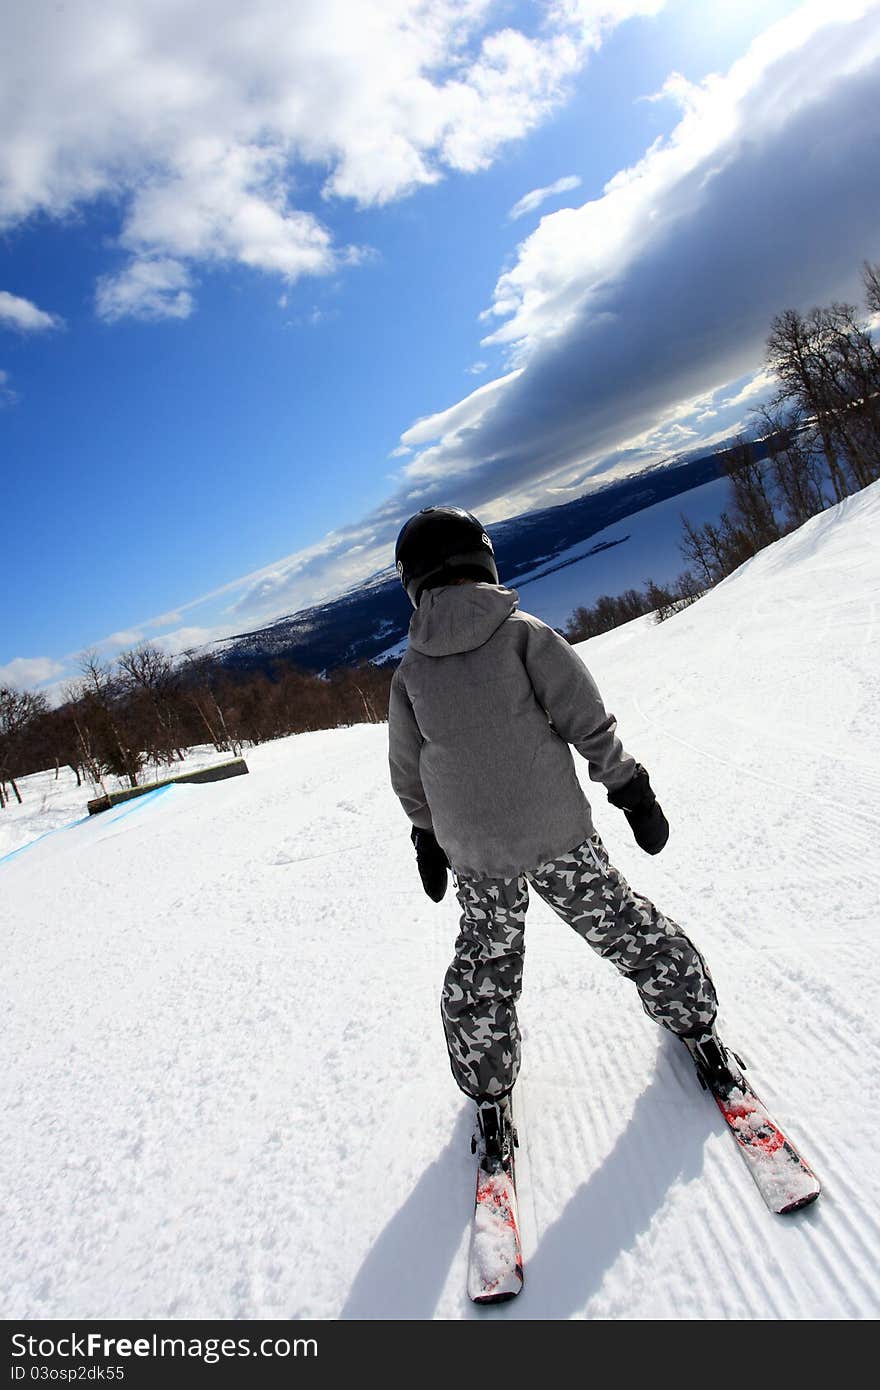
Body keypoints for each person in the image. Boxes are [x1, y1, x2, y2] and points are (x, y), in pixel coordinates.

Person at [388, 505, 734, 1166]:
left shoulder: (411, 674)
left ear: (414, 582)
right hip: (558, 837)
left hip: (478, 857)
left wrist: (426, 838)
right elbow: (585, 718)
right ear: (480, 559)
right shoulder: (523, 634)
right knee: (624, 925)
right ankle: (694, 1022)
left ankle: (488, 1090)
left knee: (485, 966)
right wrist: (629, 787)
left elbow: (409, 771)